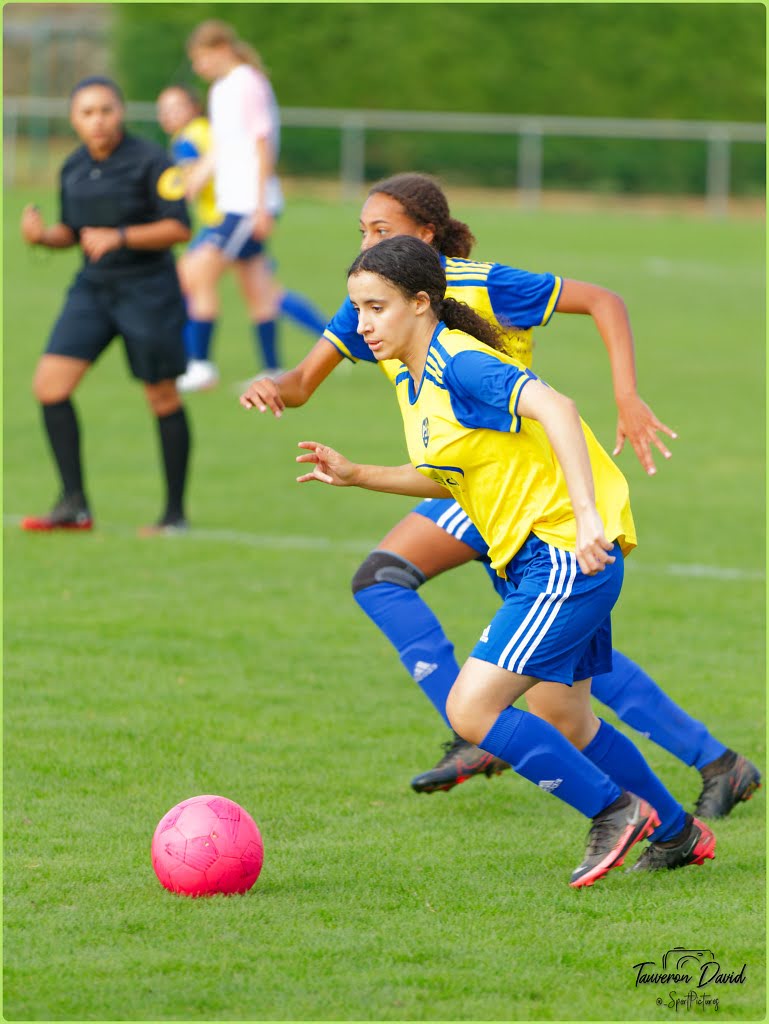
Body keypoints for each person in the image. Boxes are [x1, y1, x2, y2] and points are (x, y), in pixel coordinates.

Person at [241, 172, 761, 816]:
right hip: (467, 476)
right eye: (363, 232)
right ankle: (680, 781)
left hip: (523, 483)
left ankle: (487, 726)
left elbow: (602, 306)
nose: (368, 244)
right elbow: (300, 385)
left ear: (425, 238)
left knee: (533, 651)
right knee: (544, 668)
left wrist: (626, 395)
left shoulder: (475, 293)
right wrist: (272, 387)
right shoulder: (374, 302)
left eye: (382, 231)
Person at [295, 234, 717, 885]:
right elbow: (449, 474)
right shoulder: (413, 376)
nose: (363, 324)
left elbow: (558, 409)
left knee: (470, 709)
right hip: (535, 559)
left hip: (563, 554)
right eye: (357, 309)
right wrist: (358, 475)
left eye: (376, 308)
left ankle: (614, 812)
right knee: (565, 717)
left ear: (420, 302)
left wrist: (586, 517)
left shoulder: (459, 362)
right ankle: (677, 834)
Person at [19, 76, 192, 535]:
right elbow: (73, 233)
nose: (97, 121)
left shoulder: (152, 161)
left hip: (148, 291)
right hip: (93, 290)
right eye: (87, 113)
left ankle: (174, 515)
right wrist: (43, 236)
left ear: (121, 112)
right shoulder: (73, 166)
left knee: (161, 396)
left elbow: (179, 228)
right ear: (74, 119)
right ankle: (73, 505)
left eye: (106, 110)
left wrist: (121, 236)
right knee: (49, 387)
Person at [173, 22, 327, 392]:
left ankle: (200, 366)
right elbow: (221, 147)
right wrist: (194, 181)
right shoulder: (221, 89)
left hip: (247, 205)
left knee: (195, 274)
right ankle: (272, 369)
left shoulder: (247, 83)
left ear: (222, 48)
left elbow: (262, 144)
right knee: (257, 288)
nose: (198, 66)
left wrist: (260, 206)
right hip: (235, 203)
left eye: (201, 57)